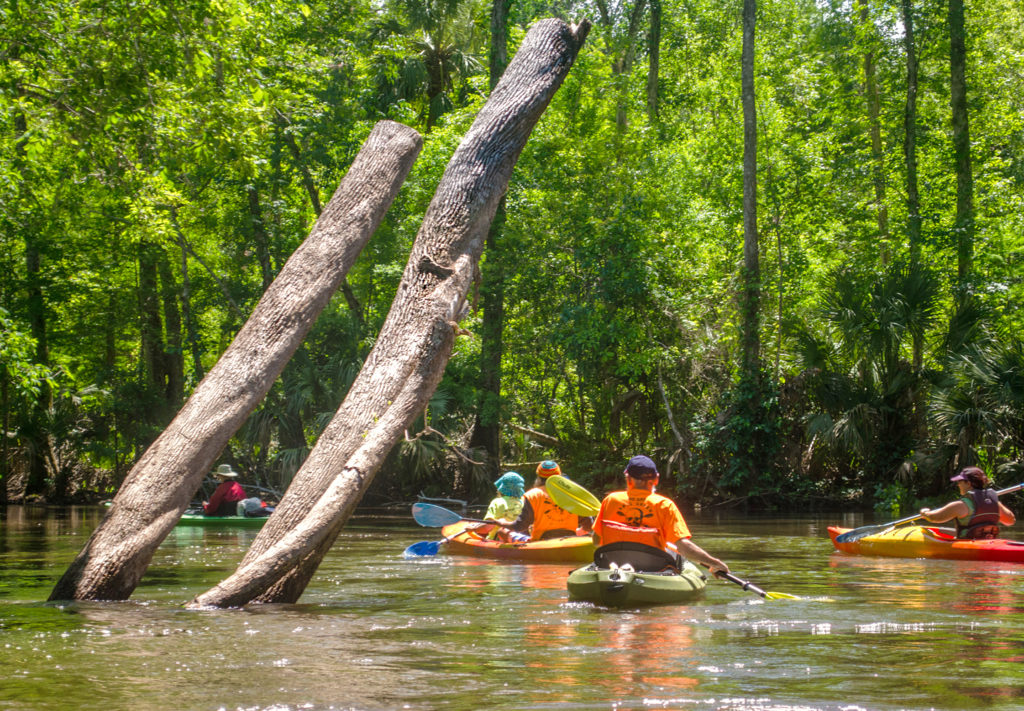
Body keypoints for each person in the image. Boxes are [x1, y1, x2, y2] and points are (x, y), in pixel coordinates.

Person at [592, 455, 729, 577]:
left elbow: (597, 541)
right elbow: (683, 546)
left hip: (612, 565)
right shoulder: (664, 505)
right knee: (674, 557)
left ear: (628, 479)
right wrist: (714, 562)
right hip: (653, 569)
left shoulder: (610, 500)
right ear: (656, 479)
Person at [919, 466, 1015, 539]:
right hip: (989, 541)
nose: (958, 484)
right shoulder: (996, 504)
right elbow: (1010, 521)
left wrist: (925, 512)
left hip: (968, 542)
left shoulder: (960, 506)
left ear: (968, 483)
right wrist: (996, 504)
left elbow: (935, 517)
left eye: (960, 481)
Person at [508, 460, 593, 541]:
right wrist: (580, 531)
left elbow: (520, 526)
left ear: (539, 478)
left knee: (503, 531)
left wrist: (499, 522)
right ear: (559, 477)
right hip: (570, 540)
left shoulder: (532, 495)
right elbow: (589, 525)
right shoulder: (573, 495)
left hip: (541, 542)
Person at [484, 471, 528, 541]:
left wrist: (473, 529)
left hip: (496, 541)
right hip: (518, 540)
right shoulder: (523, 503)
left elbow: (487, 527)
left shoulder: (496, 502)